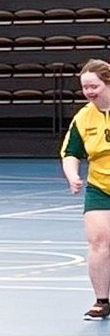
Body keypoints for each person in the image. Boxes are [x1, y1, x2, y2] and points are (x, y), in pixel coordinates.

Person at [60, 59, 110, 319]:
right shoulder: (83, 117)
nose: (89, 92)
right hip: (100, 187)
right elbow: (71, 152)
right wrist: (72, 176)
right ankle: (102, 300)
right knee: (98, 241)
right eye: (85, 87)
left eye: (94, 86)